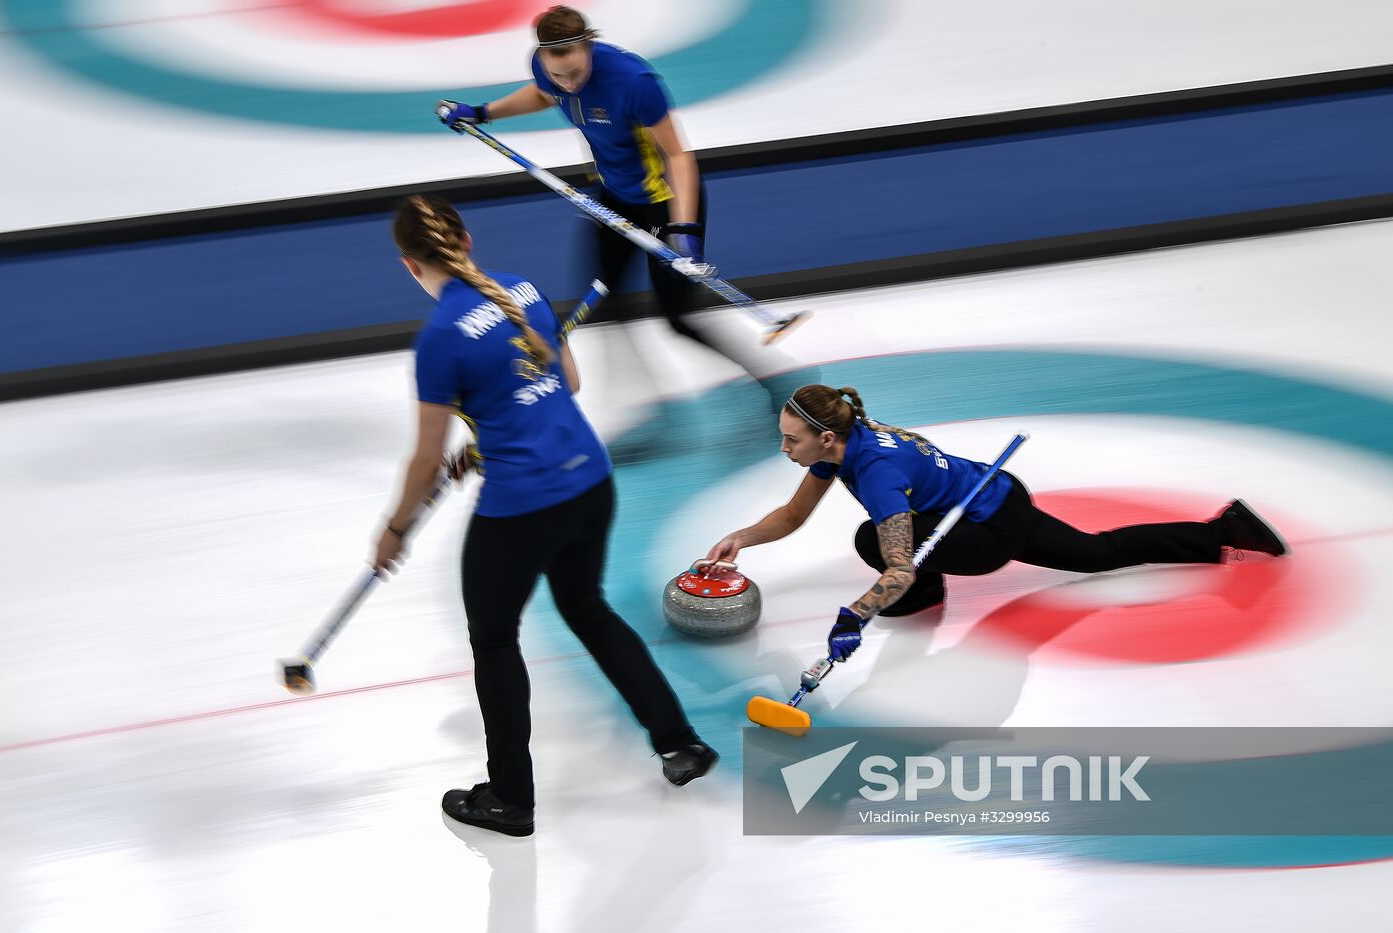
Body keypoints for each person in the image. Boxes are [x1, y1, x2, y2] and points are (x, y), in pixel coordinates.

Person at [373, 195, 717, 837]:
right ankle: (679, 742)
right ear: (466, 240)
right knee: (587, 607)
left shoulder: (440, 339)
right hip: (589, 482)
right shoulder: (521, 290)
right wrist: (485, 442)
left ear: (408, 265)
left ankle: (509, 797)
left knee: (495, 639)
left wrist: (394, 530)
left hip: (523, 508)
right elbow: (566, 385)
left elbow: (423, 462)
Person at [705, 384, 1288, 663]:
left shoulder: (877, 473)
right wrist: (742, 538)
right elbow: (793, 514)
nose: (783, 446)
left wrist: (856, 614)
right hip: (996, 493)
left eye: (790, 438)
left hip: (987, 534)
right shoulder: (848, 443)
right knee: (1094, 552)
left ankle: (933, 593)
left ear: (824, 438)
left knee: (872, 541)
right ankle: (1223, 531)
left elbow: (899, 566)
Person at [436, 5, 799, 419]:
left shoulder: (633, 82)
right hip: (611, 200)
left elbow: (678, 157)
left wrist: (685, 231)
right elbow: (543, 92)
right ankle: (651, 412)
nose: (568, 83)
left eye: (575, 73)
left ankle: (776, 381)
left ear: (588, 46)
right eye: (559, 75)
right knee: (606, 302)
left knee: (679, 318)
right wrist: (483, 113)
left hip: (664, 203)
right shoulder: (546, 67)